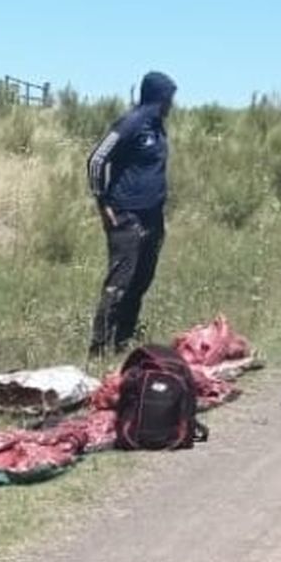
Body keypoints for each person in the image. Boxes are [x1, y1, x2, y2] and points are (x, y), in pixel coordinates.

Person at [87, 71, 178, 358]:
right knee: (120, 281)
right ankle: (99, 347)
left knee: (142, 278)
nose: (171, 105)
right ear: (157, 98)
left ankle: (123, 339)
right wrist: (103, 202)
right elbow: (97, 159)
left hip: (152, 216)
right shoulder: (132, 122)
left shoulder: (157, 127)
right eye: (168, 99)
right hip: (126, 216)